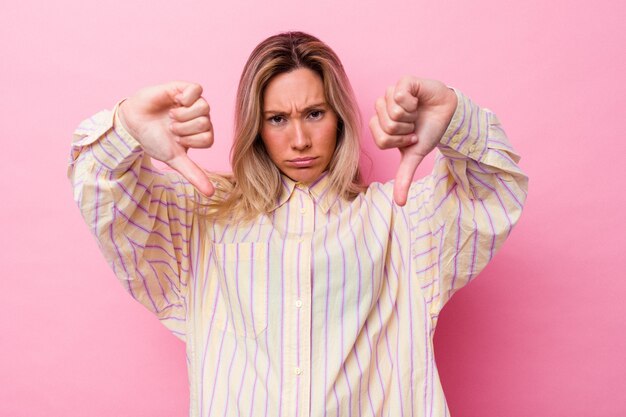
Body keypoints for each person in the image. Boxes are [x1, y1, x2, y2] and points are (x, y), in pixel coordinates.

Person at [67, 31, 527, 417]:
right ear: (256, 127)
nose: (300, 139)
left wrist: (454, 115)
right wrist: (126, 126)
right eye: (277, 119)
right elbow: (101, 190)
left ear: (339, 118)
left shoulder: (402, 222)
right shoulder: (201, 223)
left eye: (314, 113)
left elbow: (494, 190)